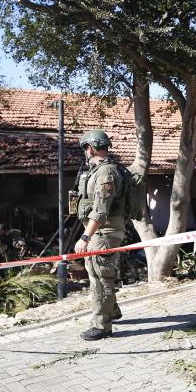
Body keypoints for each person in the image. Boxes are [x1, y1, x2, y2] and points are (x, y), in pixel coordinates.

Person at [74, 129, 126, 340]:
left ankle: (102, 326)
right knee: (99, 273)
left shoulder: (106, 173)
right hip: (99, 231)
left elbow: (101, 211)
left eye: (86, 148)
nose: (85, 152)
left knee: (99, 278)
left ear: (92, 147)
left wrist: (85, 237)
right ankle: (112, 311)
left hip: (104, 233)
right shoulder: (98, 170)